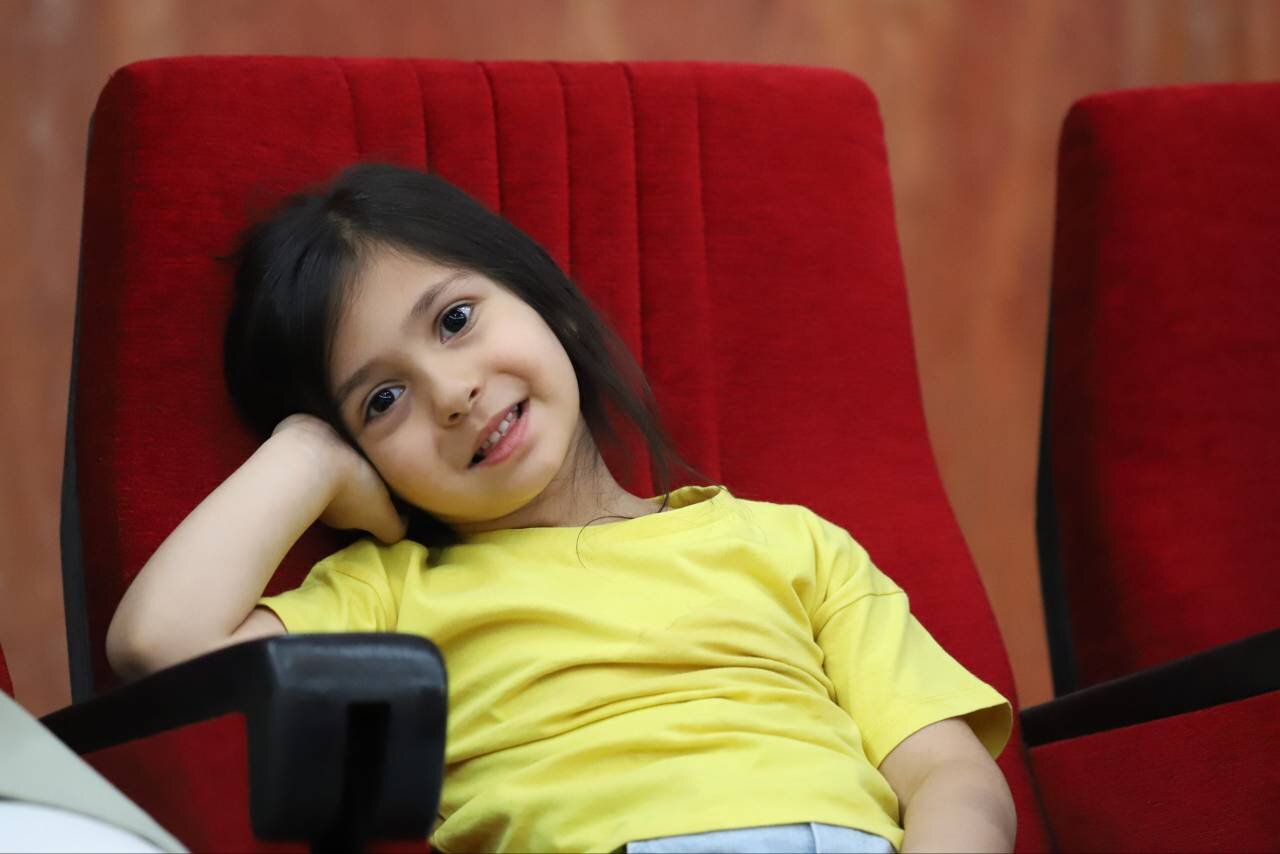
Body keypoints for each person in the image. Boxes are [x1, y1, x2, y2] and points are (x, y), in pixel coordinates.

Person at [105, 163, 1016, 854]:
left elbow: (950, 774)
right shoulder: (388, 592)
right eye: (382, 400)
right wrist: (306, 455)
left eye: (455, 320)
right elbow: (157, 643)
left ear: (556, 312)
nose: (452, 394)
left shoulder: (792, 543)